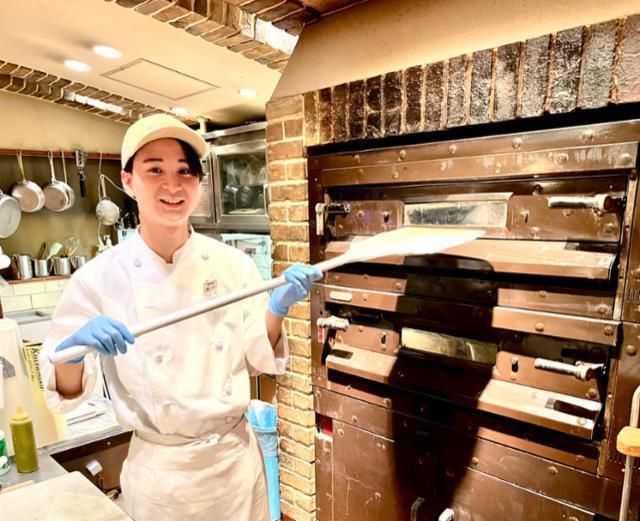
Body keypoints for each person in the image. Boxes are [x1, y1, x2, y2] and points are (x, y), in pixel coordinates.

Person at [39, 114, 322, 521]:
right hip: (162, 479)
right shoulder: (97, 278)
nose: (172, 186)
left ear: (198, 183)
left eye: (184, 172)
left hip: (235, 466)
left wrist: (277, 308)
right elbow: (65, 393)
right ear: (128, 180)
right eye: (155, 170)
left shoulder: (233, 264)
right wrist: (76, 350)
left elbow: (257, 356)